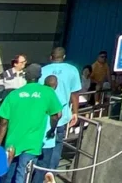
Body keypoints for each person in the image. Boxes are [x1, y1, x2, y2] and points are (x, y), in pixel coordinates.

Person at [0, 64, 62, 183]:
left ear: (25, 76)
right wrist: (52, 130)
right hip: (32, 143)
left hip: (12, 143)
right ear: (40, 76)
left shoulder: (14, 94)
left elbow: (4, 122)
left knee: (7, 175)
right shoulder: (47, 92)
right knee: (23, 174)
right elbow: (56, 115)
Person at [35, 48, 81, 182]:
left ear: (51, 57)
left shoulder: (43, 70)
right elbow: (75, 93)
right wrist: (75, 113)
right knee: (57, 143)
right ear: (64, 56)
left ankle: (39, 170)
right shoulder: (72, 70)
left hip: (44, 115)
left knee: (42, 142)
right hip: (63, 115)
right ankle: (51, 172)